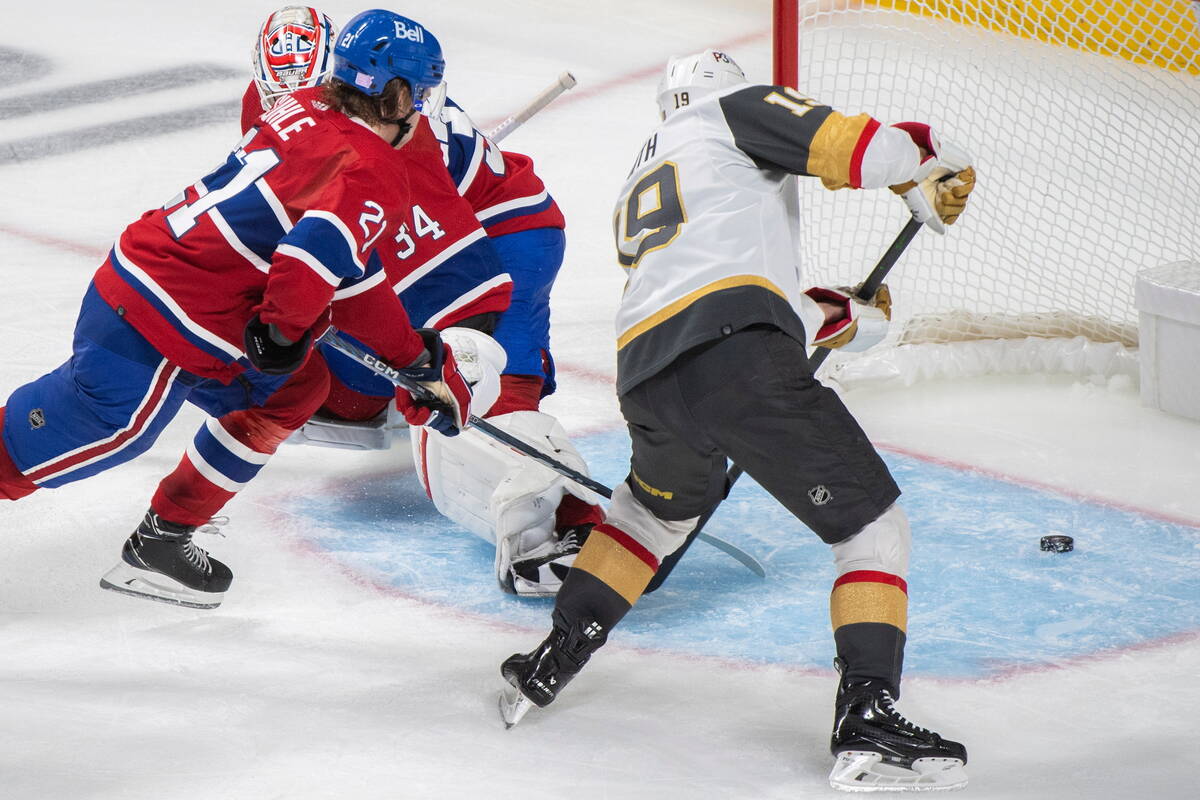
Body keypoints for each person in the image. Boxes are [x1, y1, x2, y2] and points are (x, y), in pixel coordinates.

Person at [498, 50, 977, 792]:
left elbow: (723, 292)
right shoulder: (731, 110)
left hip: (651, 374)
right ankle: (869, 714)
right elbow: (857, 148)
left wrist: (838, 315)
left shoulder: (656, 166)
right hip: (735, 361)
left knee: (649, 521)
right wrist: (923, 157)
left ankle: (549, 660)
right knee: (872, 528)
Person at [0, 8, 476, 612]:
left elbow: (351, 278)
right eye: (422, 91)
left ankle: (164, 538)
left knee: (290, 390)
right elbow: (311, 259)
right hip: (164, 318)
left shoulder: (300, 105)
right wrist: (282, 329)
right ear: (394, 92)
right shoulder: (372, 167)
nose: (424, 107)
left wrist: (416, 361)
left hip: (169, 291)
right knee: (107, 432)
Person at [243, 6, 602, 597]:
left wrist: (436, 370)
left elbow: (440, 285)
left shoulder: (399, 143)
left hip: (502, 231)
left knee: (472, 392)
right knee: (345, 395)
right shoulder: (291, 109)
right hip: (423, 234)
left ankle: (552, 534)